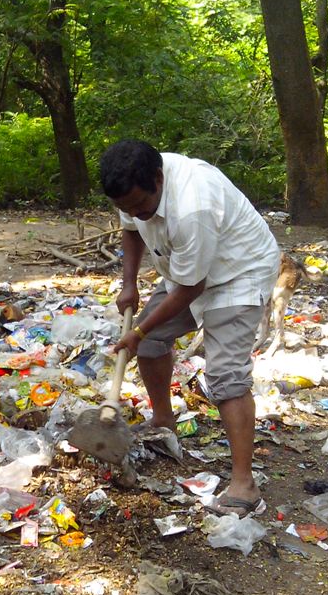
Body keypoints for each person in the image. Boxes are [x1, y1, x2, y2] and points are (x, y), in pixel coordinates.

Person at [99, 138, 280, 516]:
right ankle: (164, 421)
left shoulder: (192, 205)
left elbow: (191, 289)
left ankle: (245, 486)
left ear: (159, 180)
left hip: (238, 272)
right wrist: (129, 283)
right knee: (150, 346)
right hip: (186, 272)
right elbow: (131, 230)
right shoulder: (133, 190)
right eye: (125, 207)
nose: (136, 213)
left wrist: (140, 330)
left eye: (141, 205)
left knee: (226, 377)